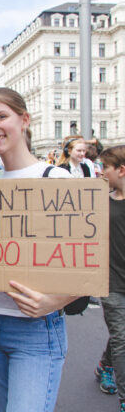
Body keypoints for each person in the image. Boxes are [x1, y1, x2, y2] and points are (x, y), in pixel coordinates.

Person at [0, 87, 77, 412]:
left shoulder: (57, 179)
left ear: (24, 120)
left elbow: (92, 261)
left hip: (35, 327)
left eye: (1, 116)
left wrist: (55, 301)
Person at [95, 145, 125, 412]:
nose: (101, 172)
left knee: (121, 336)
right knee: (123, 339)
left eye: (105, 167)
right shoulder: (100, 201)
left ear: (121, 170)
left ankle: (106, 364)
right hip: (112, 284)